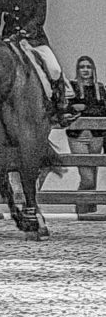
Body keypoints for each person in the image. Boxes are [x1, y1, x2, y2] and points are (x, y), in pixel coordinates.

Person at [69, 55, 104, 216]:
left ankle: (90, 211)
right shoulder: (72, 87)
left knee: (93, 173)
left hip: (97, 135)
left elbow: (102, 110)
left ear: (93, 70)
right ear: (78, 69)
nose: (85, 70)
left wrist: (83, 110)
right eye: (82, 67)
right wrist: (85, 110)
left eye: (88, 67)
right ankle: (81, 209)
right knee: (87, 177)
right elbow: (67, 109)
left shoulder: (100, 88)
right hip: (78, 136)